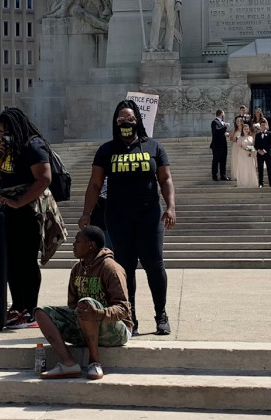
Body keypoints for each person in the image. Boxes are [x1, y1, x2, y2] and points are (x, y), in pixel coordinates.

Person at [79, 99, 176, 336]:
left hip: (149, 215)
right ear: (115, 122)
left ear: (138, 121)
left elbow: (165, 179)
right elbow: (94, 184)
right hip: (118, 217)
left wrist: (171, 207)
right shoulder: (106, 150)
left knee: (154, 265)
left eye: (130, 119)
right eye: (121, 120)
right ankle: (129, 317)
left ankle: (161, 314)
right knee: (125, 270)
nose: (126, 123)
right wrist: (86, 213)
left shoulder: (153, 147)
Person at [35, 226, 132, 381]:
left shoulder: (111, 268)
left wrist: (97, 314)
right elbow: (72, 305)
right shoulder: (77, 269)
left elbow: (123, 309)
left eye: (77, 241)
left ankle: (94, 362)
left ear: (91, 245)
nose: (73, 245)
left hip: (116, 330)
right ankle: (68, 363)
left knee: (85, 303)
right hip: (86, 325)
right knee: (41, 312)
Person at [0, 107, 52, 329]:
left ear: (15, 129)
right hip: (8, 212)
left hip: (28, 212)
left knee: (26, 262)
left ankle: (31, 310)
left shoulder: (33, 146)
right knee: (11, 262)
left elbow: (44, 178)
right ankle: (17, 307)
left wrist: (19, 202)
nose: (0, 136)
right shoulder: (10, 148)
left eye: (4, 132)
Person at [210, 110, 231, 182]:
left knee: (223, 161)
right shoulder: (214, 122)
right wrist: (225, 126)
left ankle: (223, 175)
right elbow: (216, 131)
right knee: (216, 161)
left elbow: (221, 132)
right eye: (224, 114)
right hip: (216, 145)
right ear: (221, 114)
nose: (224, 115)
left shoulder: (222, 122)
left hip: (223, 144)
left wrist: (226, 134)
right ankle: (214, 176)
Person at [235, 124, 257, 188]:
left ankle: (251, 182)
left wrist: (250, 151)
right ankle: (243, 183)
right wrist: (245, 150)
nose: (246, 130)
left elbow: (252, 145)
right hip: (242, 155)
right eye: (245, 129)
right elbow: (239, 146)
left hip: (249, 155)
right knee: (243, 168)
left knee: (250, 167)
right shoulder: (240, 138)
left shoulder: (251, 137)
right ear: (242, 130)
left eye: (247, 129)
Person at [254, 119, 271, 188]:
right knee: (260, 169)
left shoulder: (269, 133)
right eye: (261, 125)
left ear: (266, 126)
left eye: (264, 125)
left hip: (267, 154)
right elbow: (255, 145)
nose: (263, 126)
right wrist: (259, 150)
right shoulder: (257, 135)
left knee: (269, 169)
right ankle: (261, 183)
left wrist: (264, 150)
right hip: (259, 154)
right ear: (260, 126)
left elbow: (270, 143)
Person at [228, 116, 244, 181]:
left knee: (243, 160)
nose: (237, 122)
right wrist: (235, 139)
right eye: (236, 121)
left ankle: (243, 175)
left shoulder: (244, 129)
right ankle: (236, 176)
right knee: (236, 160)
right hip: (235, 146)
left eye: (238, 121)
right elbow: (231, 138)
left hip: (243, 147)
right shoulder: (234, 129)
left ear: (241, 122)